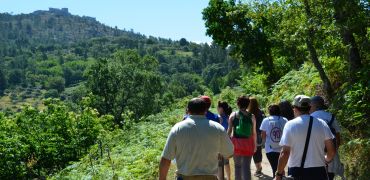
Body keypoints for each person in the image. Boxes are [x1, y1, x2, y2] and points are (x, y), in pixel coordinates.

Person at [159, 98, 234, 180]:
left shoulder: (177, 128)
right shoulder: (218, 128)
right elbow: (229, 153)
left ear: (188, 110)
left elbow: (165, 160)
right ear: (206, 110)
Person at [275, 95, 336, 180]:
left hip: (297, 172)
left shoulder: (290, 125)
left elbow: (285, 153)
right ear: (310, 108)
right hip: (319, 171)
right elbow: (332, 151)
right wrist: (326, 160)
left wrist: (278, 174)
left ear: (295, 108)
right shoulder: (322, 124)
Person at [310, 96, 343, 180]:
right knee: (330, 176)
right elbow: (338, 138)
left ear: (314, 106)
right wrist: (333, 152)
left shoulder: (309, 118)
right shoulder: (331, 117)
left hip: (314, 155)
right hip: (330, 154)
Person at [227, 96, 257, 180]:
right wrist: (255, 146)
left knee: (237, 166)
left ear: (238, 104)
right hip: (248, 143)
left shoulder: (233, 115)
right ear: (248, 104)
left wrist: (225, 143)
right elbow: (254, 133)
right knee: (246, 167)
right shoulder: (252, 116)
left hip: (236, 144)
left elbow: (229, 131)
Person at [260, 104, 288, 178]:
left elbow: (263, 135)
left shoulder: (266, 120)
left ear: (269, 111)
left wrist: (262, 144)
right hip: (282, 149)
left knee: (275, 168)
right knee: (280, 168)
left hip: (270, 149)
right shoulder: (284, 120)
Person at [248, 97, 264, 176]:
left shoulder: (249, 113)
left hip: (252, 134)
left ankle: (258, 168)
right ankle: (259, 166)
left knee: (254, 152)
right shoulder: (261, 112)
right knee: (259, 151)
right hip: (259, 134)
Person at [217, 101, 233, 180]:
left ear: (221, 108)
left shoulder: (219, 118)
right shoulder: (228, 117)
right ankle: (229, 178)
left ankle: (220, 178)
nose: (217, 108)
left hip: (219, 143)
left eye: (218, 107)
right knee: (226, 162)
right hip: (228, 141)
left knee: (219, 163)